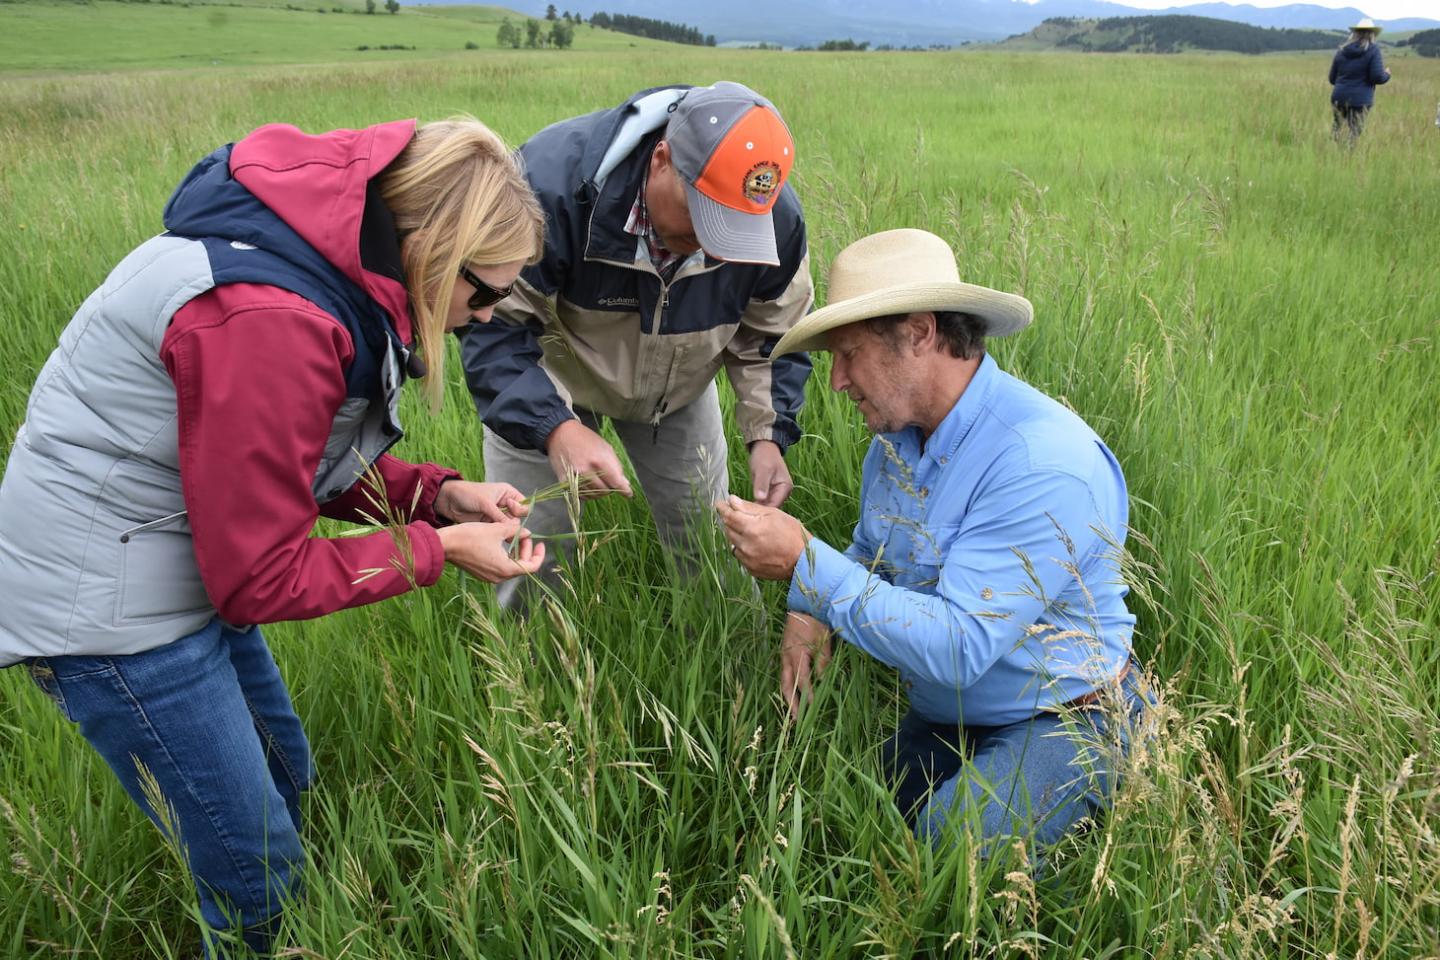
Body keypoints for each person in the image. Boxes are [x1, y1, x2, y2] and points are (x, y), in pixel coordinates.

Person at [0, 118, 547, 956]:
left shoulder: (318, 268)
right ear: (433, 248)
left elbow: (280, 466)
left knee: (289, 781)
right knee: (258, 879)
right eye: (485, 293)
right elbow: (260, 577)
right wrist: (439, 552)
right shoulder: (273, 318)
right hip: (105, 605)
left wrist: (440, 497)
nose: (488, 315)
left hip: (176, 551)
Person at [717, 229, 1151, 852]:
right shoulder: (893, 446)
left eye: (848, 354)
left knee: (953, 845)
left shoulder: (1041, 462)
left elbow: (960, 645)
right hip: (955, 714)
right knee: (840, 813)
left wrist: (805, 566)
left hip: (1069, 715)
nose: (837, 381)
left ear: (919, 334)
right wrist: (808, 611)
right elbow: (872, 550)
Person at [459, 82, 814, 606]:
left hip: (679, 390)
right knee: (528, 550)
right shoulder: (548, 188)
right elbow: (493, 327)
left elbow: (771, 335)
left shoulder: (773, 222)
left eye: (733, 229)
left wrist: (767, 435)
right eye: (703, 215)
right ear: (662, 159)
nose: (714, 243)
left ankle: (728, 667)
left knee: (710, 547)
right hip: (548, 379)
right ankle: (528, 673)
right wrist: (555, 429)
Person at [1329, 17, 1391, 144]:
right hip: (1360, 100)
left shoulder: (1341, 51)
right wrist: (1387, 75)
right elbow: (1377, 77)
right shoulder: (1373, 50)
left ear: (1355, 33)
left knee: (1337, 130)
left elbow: (1332, 79)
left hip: (1338, 97)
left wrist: (1345, 83)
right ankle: (1348, 160)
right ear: (1373, 34)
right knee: (1354, 134)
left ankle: (1332, 157)